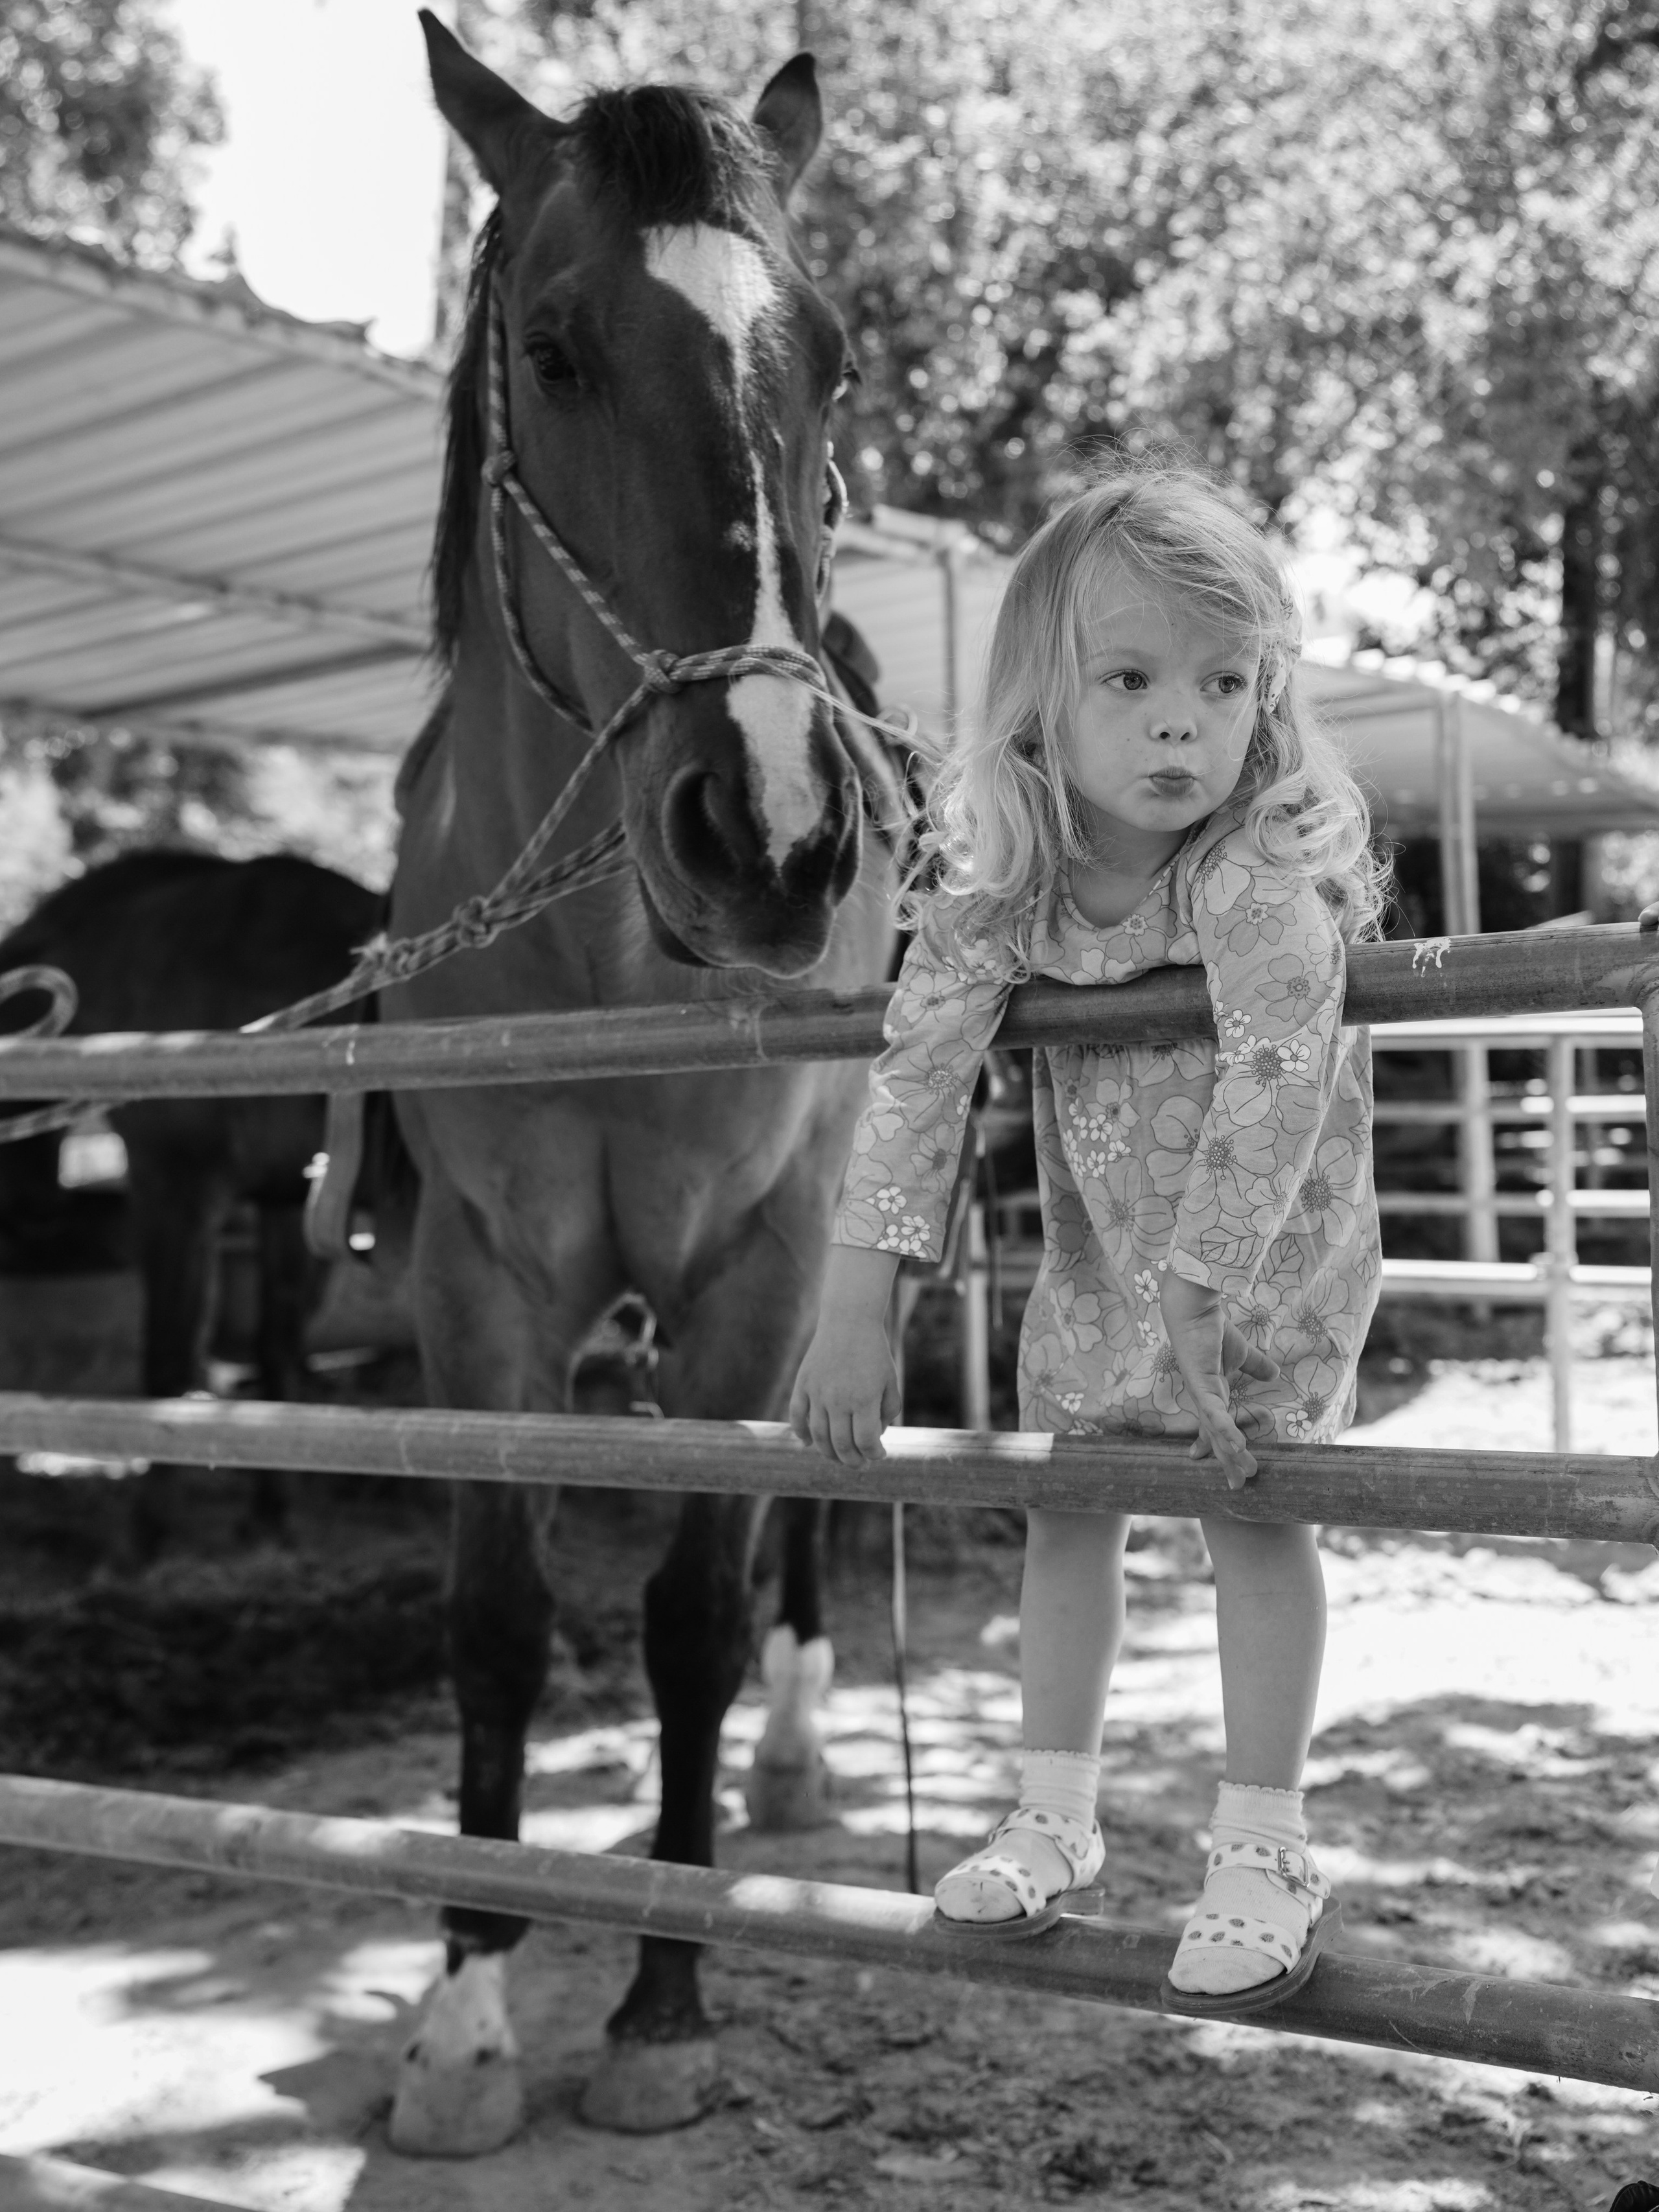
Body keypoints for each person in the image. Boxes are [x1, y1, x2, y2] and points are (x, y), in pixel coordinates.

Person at [790, 464, 1385, 2011]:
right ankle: (1051, 1812)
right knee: (1067, 1506)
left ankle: (1262, 1846)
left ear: (1267, 696)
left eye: (1221, 680)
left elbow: (1276, 1071)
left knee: (1250, 1507)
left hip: (1263, 1254)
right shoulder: (1004, 888)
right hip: (1100, 1254)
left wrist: (1204, 1283)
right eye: (1128, 680)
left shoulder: (1254, 873)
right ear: (1040, 705)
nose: (1179, 721)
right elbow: (917, 1077)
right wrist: (855, 1299)